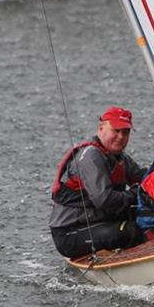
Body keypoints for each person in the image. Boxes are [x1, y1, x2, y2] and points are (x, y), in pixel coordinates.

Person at [49, 106, 146, 258]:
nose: (121, 137)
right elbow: (105, 200)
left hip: (99, 221)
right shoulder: (91, 156)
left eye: (125, 132)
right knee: (130, 230)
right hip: (71, 232)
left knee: (148, 212)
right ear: (101, 128)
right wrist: (136, 192)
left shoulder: (120, 158)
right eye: (116, 130)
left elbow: (144, 178)